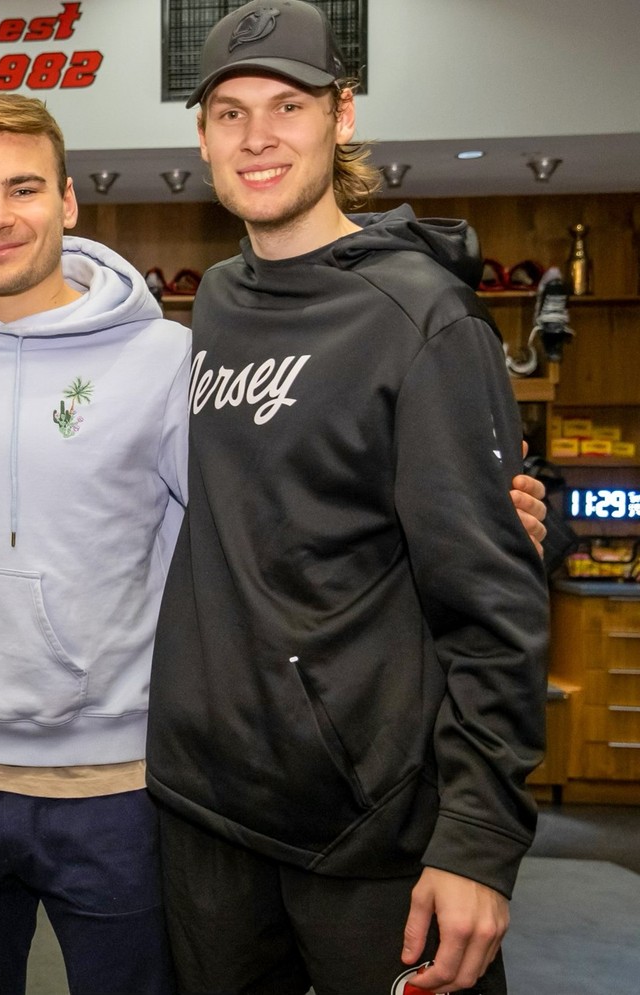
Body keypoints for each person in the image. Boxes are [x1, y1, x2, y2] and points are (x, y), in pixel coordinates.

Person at [146, 4, 549, 994]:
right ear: (202, 136)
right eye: (231, 112)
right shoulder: (220, 303)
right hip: (208, 815)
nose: (258, 137)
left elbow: (494, 602)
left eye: (288, 105)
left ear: (341, 114)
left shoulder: (420, 320)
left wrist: (480, 839)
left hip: (372, 827)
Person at [0, 93, 187, 995]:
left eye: (23, 189)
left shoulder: (165, 358)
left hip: (114, 783)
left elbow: (257, 527)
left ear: (69, 201)